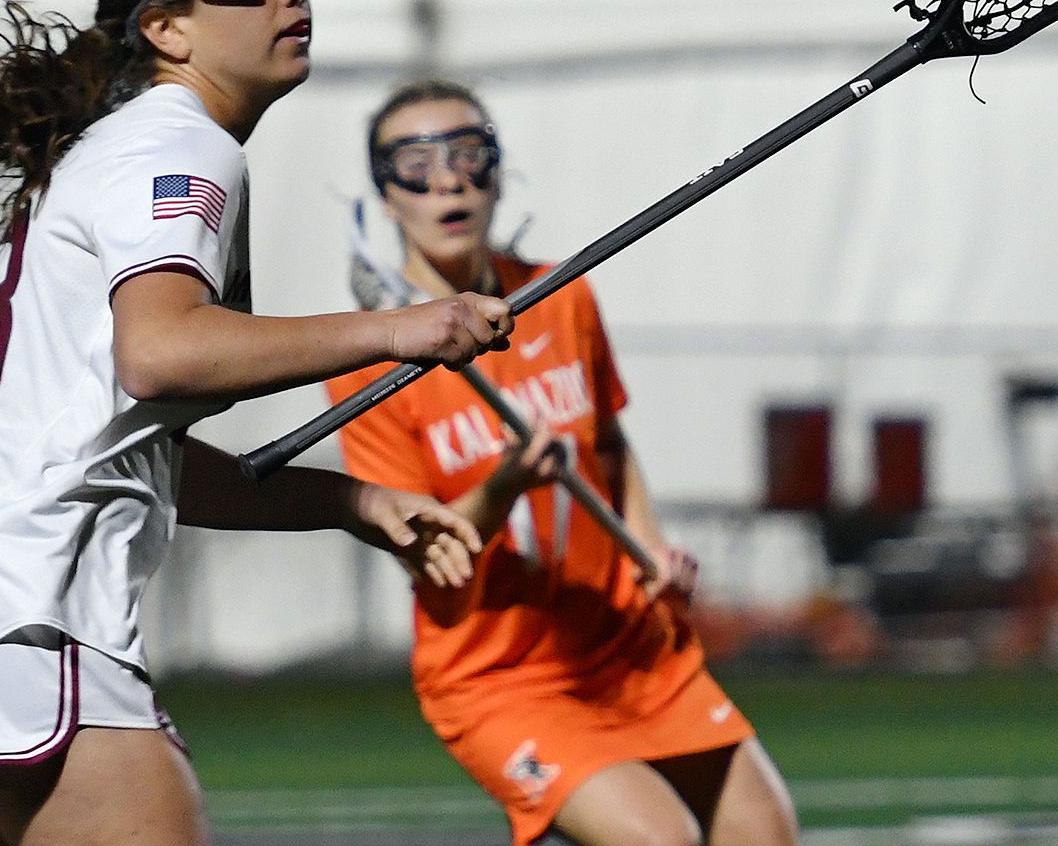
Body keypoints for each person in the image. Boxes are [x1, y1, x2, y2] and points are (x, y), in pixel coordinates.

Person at [0, 0, 517, 846]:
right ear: (166, 27)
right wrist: (408, 327)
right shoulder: (179, 146)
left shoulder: (127, 148)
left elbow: (129, 449)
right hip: (19, 601)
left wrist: (351, 502)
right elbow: (163, 353)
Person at [328, 79, 801, 846]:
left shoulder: (560, 295)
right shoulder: (367, 361)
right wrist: (506, 480)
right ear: (387, 195)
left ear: (497, 172)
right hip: (499, 678)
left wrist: (647, 548)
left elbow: (609, 445)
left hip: (627, 644)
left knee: (767, 835)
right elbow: (424, 552)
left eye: (469, 154)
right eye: (415, 162)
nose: (447, 179)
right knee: (664, 842)